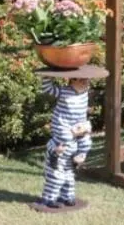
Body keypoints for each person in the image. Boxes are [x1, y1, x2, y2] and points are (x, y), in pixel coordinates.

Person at [36, 76, 91, 209]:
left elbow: (83, 118)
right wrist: (49, 76)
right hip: (63, 134)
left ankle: (67, 196)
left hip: (77, 133)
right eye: (81, 80)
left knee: (69, 176)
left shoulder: (85, 93)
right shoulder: (63, 91)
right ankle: (49, 199)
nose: (85, 82)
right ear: (72, 80)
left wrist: (82, 143)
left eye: (87, 80)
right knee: (56, 176)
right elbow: (47, 88)